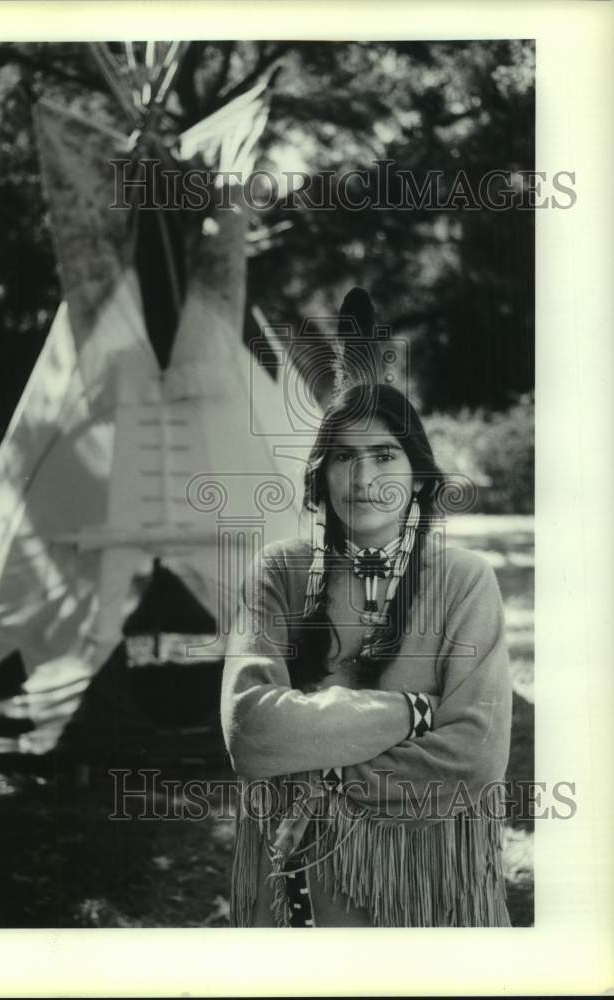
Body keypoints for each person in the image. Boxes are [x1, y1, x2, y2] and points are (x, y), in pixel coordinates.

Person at [220, 312, 513, 928]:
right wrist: (413, 712)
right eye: (344, 458)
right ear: (321, 477)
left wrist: (314, 773)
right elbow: (250, 730)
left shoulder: (464, 579)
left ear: (417, 473)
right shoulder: (278, 571)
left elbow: (472, 757)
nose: (364, 477)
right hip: (298, 884)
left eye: (384, 454)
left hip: (428, 877)